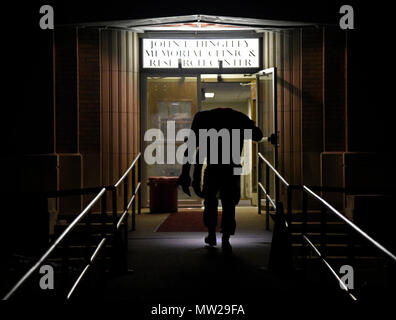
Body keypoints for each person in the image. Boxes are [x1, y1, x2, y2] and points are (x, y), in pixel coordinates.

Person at [178, 107, 263, 254]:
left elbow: (191, 149)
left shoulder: (202, 118)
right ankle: (225, 239)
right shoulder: (239, 118)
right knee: (229, 204)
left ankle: (212, 234)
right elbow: (258, 135)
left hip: (213, 168)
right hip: (232, 168)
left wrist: (186, 175)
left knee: (210, 201)